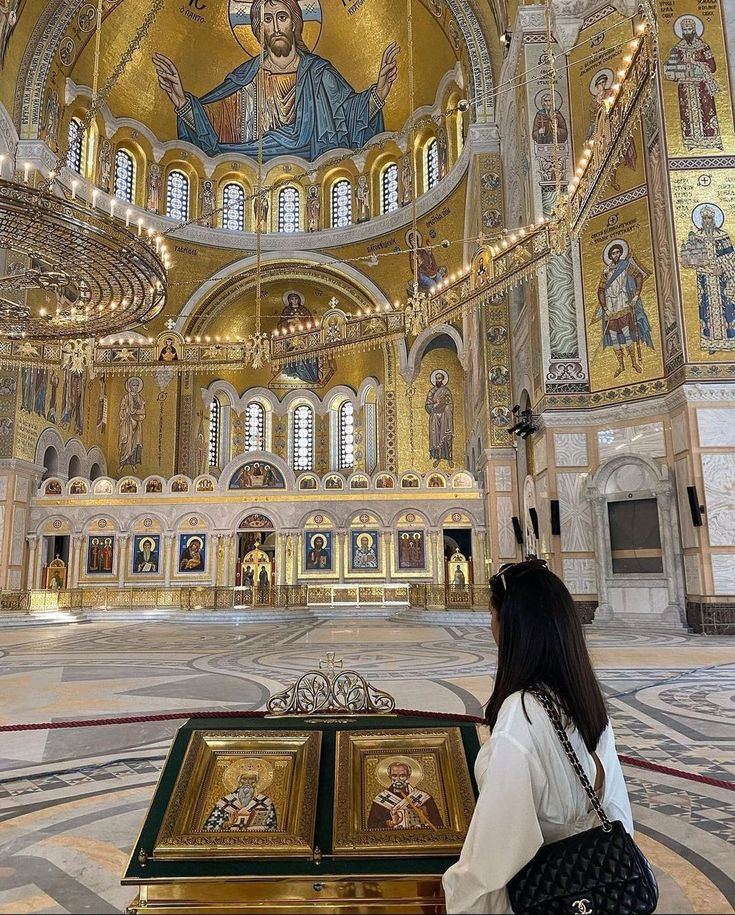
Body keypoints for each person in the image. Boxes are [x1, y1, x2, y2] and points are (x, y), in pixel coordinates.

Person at [442, 559, 633, 914]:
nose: (490, 625)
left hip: (547, 894)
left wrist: (457, 895)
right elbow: (619, 814)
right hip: (597, 886)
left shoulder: (523, 713)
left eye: (492, 614)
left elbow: (495, 856)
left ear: (514, 627)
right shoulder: (586, 700)